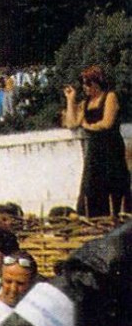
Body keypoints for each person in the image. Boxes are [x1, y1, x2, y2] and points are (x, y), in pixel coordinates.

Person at [63, 65, 131, 218]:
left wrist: (88, 126)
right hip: (95, 149)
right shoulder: (86, 102)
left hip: (111, 147)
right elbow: (72, 122)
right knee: (91, 185)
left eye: (88, 84)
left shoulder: (110, 97)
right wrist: (70, 100)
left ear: (96, 83)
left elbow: (107, 123)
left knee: (113, 184)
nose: (85, 88)